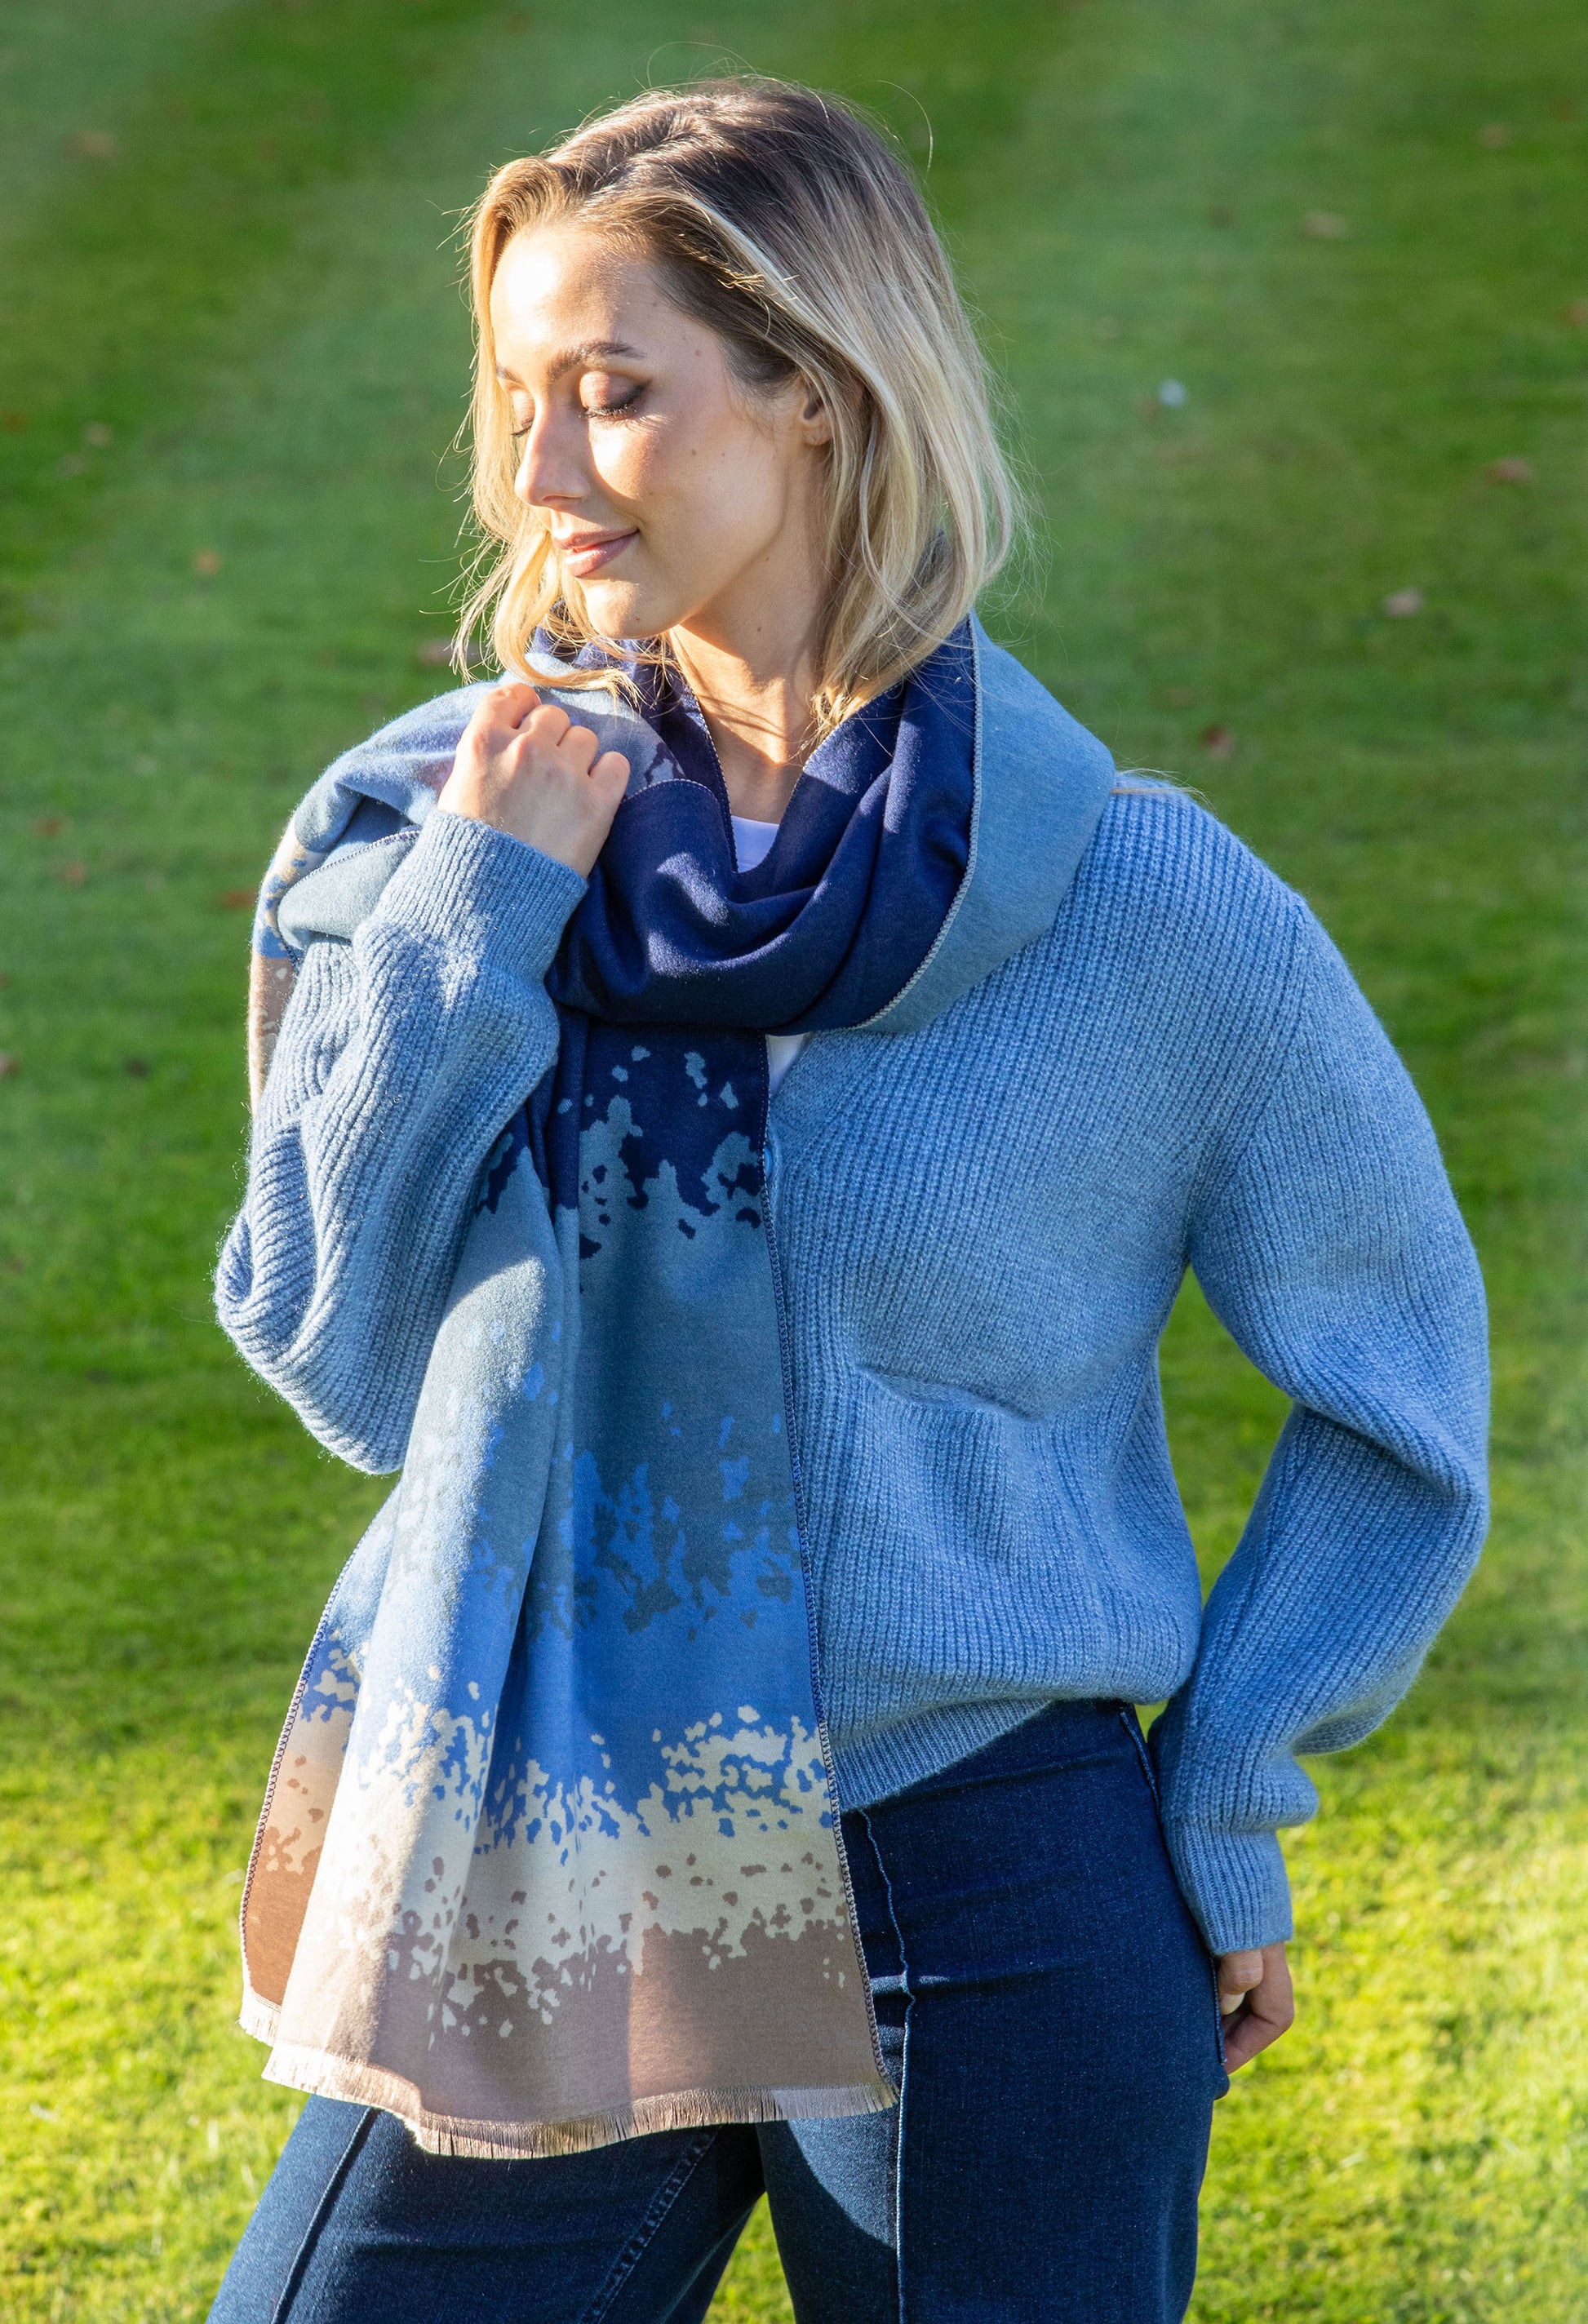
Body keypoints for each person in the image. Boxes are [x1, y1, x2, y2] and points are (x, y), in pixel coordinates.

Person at [208, 75, 1488, 2324]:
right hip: (542, 1835)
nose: (535, 472)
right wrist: (478, 915)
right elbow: (328, 1339)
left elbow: (1399, 1396)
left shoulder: (1138, 904)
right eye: (517, 394)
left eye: (614, 394)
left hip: (982, 1879)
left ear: (813, 390)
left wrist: (1225, 1785)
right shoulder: (424, 843)